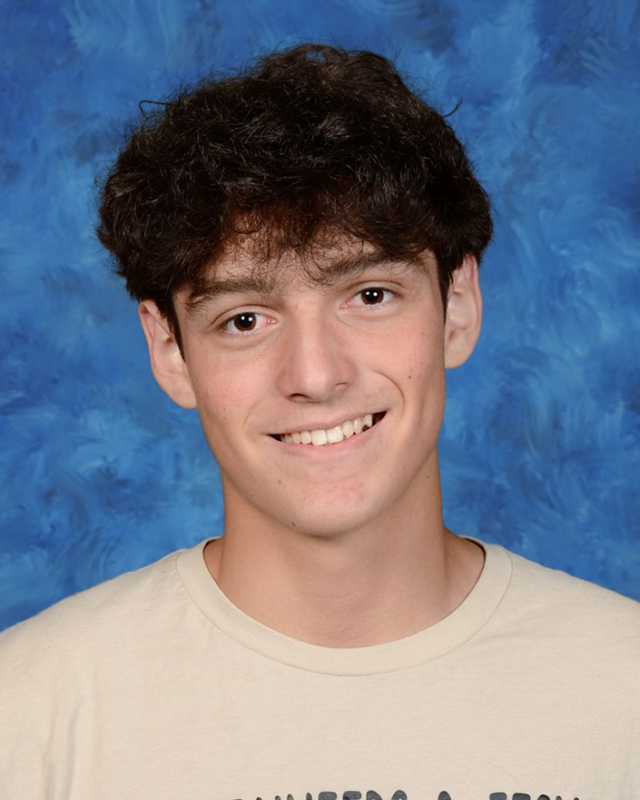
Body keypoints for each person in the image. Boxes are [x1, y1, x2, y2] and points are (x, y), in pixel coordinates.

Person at [0, 44, 638, 800]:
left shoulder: (622, 688)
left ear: (457, 305)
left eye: (369, 295)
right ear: (169, 350)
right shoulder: (30, 711)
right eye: (244, 318)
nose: (314, 375)